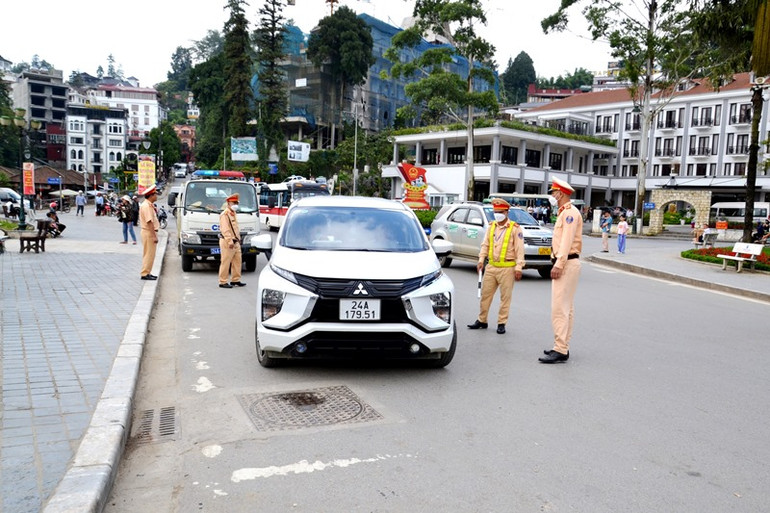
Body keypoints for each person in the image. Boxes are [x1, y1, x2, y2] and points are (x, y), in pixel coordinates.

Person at [539, 177, 583, 364]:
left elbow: (566, 241)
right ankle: (562, 346)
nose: (552, 195)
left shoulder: (569, 213)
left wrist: (558, 264)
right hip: (567, 262)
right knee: (566, 308)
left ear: (562, 193)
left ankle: (560, 348)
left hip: (566, 263)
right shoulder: (565, 212)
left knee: (560, 308)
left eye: (554, 192)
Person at [467, 198, 524, 335]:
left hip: (507, 268)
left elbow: (519, 249)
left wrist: (519, 267)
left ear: (506, 212)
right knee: (485, 295)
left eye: (500, 212)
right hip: (491, 266)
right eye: (495, 211)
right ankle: (482, 320)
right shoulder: (491, 226)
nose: (497, 214)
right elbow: (485, 244)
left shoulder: (515, 228)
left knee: (505, 298)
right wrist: (481, 260)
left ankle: (501, 323)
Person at [218, 193, 246, 288]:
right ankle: (223, 281)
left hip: (236, 241)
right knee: (226, 262)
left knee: (237, 261)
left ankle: (235, 280)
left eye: (236, 203)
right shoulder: (225, 215)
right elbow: (225, 230)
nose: (236, 205)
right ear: (229, 203)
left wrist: (238, 239)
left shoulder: (233, 213)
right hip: (227, 242)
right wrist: (230, 241)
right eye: (234, 203)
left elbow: (235, 228)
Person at [139, 185, 160, 281]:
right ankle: (145, 273)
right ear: (151, 195)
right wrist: (154, 236)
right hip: (148, 232)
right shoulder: (146, 206)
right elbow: (149, 222)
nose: (157, 196)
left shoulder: (148, 205)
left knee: (149, 253)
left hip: (148, 232)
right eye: (155, 194)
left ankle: (147, 272)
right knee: (149, 254)